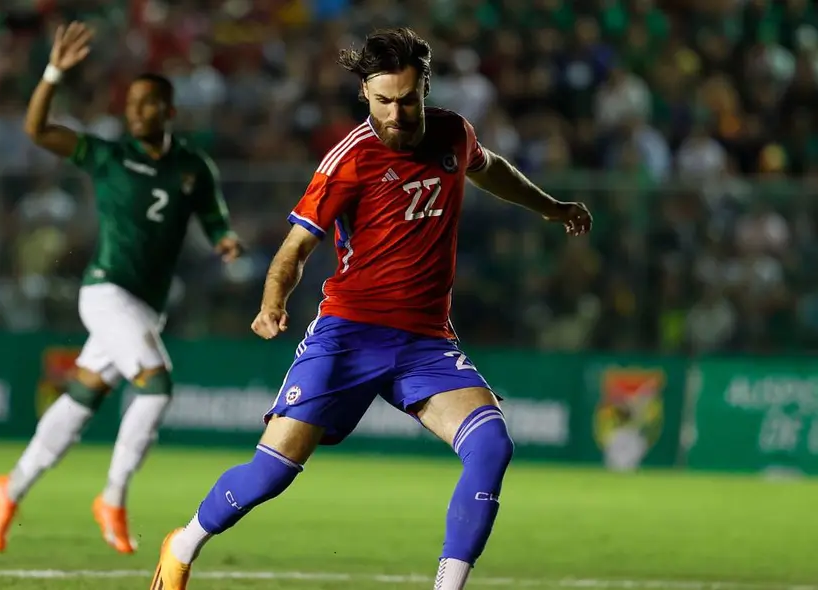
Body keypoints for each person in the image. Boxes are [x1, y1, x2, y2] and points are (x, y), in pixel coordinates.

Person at [148, 27, 592, 590]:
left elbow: (490, 168)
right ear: (365, 95)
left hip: (426, 342)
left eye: (408, 100)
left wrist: (550, 207)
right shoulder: (349, 160)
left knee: (492, 444)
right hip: (348, 334)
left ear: (425, 88)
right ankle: (182, 544)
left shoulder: (455, 134)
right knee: (270, 474)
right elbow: (295, 248)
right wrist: (271, 302)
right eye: (384, 101)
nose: (398, 114)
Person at [0, 22, 243, 555]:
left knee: (82, 396)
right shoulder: (107, 157)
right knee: (156, 383)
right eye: (131, 104)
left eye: (147, 104)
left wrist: (225, 241)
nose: (135, 112)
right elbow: (38, 130)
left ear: (168, 112)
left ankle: (10, 487)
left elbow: (214, 218)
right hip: (105, 292)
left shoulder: (193, 168)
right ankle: (113, 496)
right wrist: (54, 72)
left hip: (145, 309)